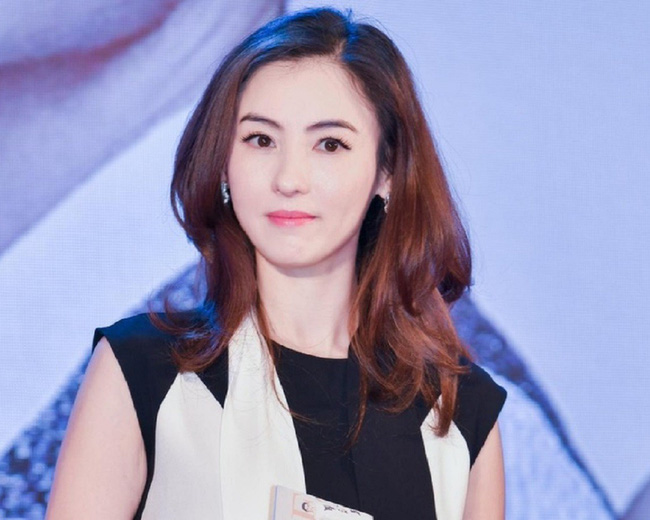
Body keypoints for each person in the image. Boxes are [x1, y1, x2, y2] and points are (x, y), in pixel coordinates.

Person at [46, 7, 506, 520]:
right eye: (261, 140)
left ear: (387, 172)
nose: (289, 178)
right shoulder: (144, 373)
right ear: (224, 163)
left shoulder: (460, 412)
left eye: (329, 144)